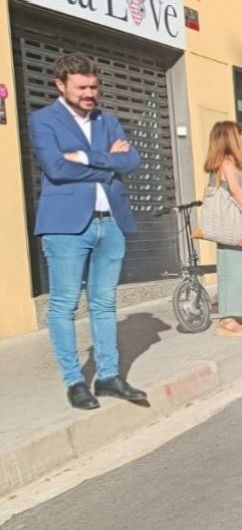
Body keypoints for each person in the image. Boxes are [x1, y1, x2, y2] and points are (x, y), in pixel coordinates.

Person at [29, 53, 147, 411]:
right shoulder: (43, 120)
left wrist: (83, 157)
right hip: (65, 226)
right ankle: (75, 381)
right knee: (64, 304)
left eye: (94, 86)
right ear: (60, 85)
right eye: (81, 87)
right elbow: (56, 169)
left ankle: (108, 376)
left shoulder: (107, 120)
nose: (89, 93)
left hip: (110, 222)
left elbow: (132, 160)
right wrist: (108, 161)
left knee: (105, 302)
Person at [204, 121, 242, 337]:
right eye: (240, 134)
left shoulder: (231, 165)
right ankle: (227, 320)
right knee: (233, 270)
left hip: (239, 228)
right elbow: (237, 192)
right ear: (230, 138)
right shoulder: (226, 165)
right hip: (233, 227)